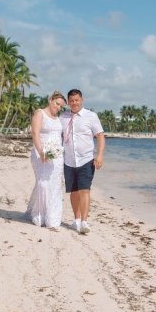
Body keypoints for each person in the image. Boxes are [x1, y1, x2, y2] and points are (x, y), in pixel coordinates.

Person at [60, 89, 105, 234]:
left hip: (86, 159)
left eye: (77, 100)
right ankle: (76, 219)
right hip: (68, 160)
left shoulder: (91, 116)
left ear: (82, 100)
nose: (74, 103)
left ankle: (85, 222)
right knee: (73, 192)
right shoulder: (63, 117)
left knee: (84, 190)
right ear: (68, 102)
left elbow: (100, 136)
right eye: (72, 101)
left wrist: (99, 156)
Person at [26, 91, 66, 229]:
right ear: (50, 100)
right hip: (41, 153)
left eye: (61, 106)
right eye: (57, 104)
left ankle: (52, 218)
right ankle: (39, 215)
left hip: (56, 156)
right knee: (43, 183)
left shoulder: (58, 118)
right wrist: (41, 151)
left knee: (54, 185)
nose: (59, 108)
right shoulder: (40, 113)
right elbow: (35, 133)